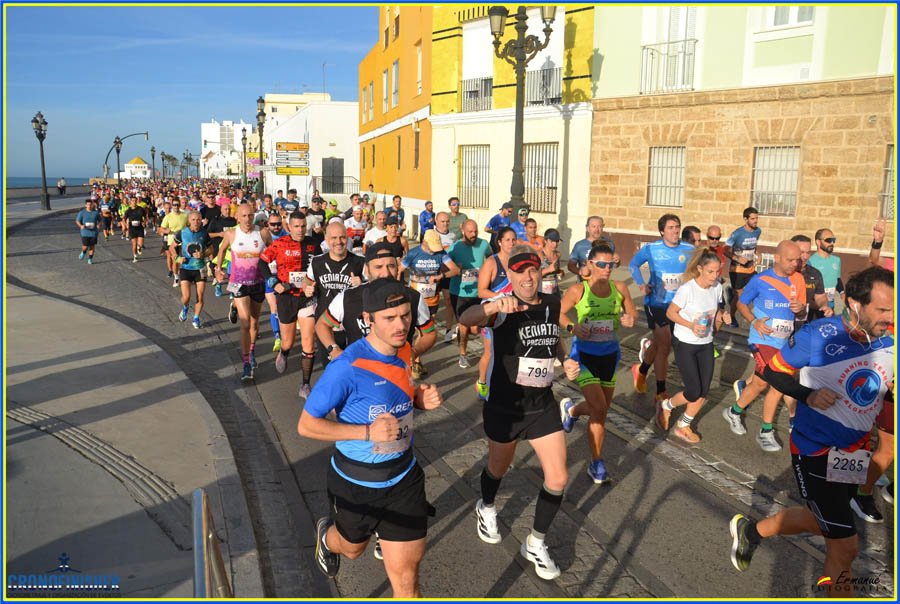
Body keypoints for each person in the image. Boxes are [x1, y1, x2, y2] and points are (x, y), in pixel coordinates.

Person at [729, 266, 894, 597]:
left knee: (823, 522)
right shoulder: (817, 336)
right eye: (882, 310)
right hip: (814, 449)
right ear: (855, 305)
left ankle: (752, 531)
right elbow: (771, 372)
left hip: (855, 450)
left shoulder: (890, 338)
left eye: (894, 309)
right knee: (845, 547)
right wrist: (808, 395)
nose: (890, 317)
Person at [298, 279, 444, 598]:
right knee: (352, 549)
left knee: (407, 580)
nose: (401, 325)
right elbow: (307, 425)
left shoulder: (405, 351)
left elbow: (399, 397)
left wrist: (420, 400)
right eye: (389, 318)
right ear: (369, 318)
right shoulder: (347, 367)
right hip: (356, 483)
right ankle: (327, 538)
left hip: (403, 479)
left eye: (405, 316)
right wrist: (367, 433)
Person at [459, 245, 581, 581]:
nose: (528, 277)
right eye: (520, 271)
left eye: (533, 270)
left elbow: (553, 339)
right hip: (506, 408)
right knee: (498, 469)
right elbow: (465, 319)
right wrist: (492, 305)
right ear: (509, 275)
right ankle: (486, 506)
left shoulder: (552, 304)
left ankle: (536, 542)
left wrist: (565, 358)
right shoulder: (502, 307)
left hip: (541, 406)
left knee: (558, 478)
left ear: (540, 272)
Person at [559, 243, 636, 481]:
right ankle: (597, 463)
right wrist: (573, 326)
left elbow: (632, 314)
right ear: (590, 264)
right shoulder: (578, 291)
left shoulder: (620, 288)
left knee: (599, 411)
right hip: (584, 356)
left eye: (611, 264)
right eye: (601, 264)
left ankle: (571, 409)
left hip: (610, 356)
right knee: (599, 408)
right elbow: (557, 314)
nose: (607, 269)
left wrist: (628, 319)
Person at [722, 241, 808, 452]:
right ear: (777, 258)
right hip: (762, 340)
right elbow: (742, 303)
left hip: (785, 341)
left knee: (759, 384)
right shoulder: (760, 280)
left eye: (797, 260)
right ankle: (766, 431)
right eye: (790, 260)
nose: (795, 264)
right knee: (778, 381)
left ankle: (734, 411)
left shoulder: (798, 279)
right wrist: (754, 321)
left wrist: (800, 310)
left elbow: (803, 315)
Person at [656, 247, 729, 443]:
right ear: (700, 269)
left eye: (717, 272)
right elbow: (671, 313)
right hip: (685, 343)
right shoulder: (687, 289)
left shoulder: (717, 288)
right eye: (710, 272)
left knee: (703, 391)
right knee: (693, 391)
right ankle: (667, 405)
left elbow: (718, 312)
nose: (714, 276)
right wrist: (691, 325)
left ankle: (684, 425)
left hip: (706, 343)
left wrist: (723, 316)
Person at [318, 242, 435, 354]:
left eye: (391, 266)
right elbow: (322, 324)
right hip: (358, 371)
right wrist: (334, 350)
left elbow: (429, 333)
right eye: (378, 267)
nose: (385, 273)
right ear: (367, 270)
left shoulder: (414, 297)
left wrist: (413, 353)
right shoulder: (347, 297)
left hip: (396, 371)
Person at [628, 213, 695, 403]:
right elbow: (633, 264)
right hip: (656, 303)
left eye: (677, 227)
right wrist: (641, 284)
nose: (675, 231)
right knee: (665, 346)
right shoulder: (651, 248)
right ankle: (660, 391)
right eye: (671, 228)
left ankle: (640, 370)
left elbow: (698, 269)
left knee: (659, 345)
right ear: (662, 231)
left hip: (679, 305)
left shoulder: (689, 249)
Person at [259, 212, 322, 395]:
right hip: (286, 297)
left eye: (303, 226)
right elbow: (262, 263)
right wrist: (274, 283)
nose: (300, 230)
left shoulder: (314, 245)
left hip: (307, 297)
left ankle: (305, 384)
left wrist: (315, 285)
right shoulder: (280, 244)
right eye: (296, 226)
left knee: (308, 343)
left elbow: (320, 267)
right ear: (289, 226)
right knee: (287, 341)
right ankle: (285, 352)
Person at [215, 203, 273, 382]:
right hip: (238, 283)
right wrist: (218, 268)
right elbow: (222, 249)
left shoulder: (262, 233)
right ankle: (246, 362)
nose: (248, 219)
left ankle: (252, 350)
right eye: (244, 216)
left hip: (258, 282)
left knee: (255, 323)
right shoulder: (231, 233)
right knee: (246, 322)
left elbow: (273, 250)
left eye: (250, 215)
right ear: (237, 217)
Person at [402, 229, 459, 378]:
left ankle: (416, 360)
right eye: (432, 248)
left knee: (425, 332)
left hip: (432, 300)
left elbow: (455, 270)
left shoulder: (440, 254)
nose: (434, 251)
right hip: (414, 300)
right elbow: (399, 269)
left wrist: (441, 275)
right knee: (412, 331)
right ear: (424, 243)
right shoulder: (413, 253)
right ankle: (413, 361)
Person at [475, 227, 518, 398]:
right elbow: (481, 291)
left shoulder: (517, 261)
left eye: (514, 239)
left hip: (513, 313)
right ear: (499, 242)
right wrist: (501, 297)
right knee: (490, 351)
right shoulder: (492, 263)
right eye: (507, 239)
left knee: (512, 350)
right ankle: (482, 382)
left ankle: (506, 383)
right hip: (493, 314)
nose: (511, 243)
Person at [447, 219, 492, 368]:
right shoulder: (455, 248)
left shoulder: (484, 244)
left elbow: (492, 259)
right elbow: (444, 267)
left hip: (479, 292)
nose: (473, 234)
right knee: (465, 325)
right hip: (459, 292)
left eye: (476, 231)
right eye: (470, 232)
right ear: (463, 231)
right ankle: (463, 354)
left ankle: (464, 333)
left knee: (475, 329)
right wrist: (454, 269)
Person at [172, 211, 212, 329]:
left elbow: (211, 249)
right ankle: (185, 307)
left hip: (200, 268)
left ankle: (196, 317)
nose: (196, 222)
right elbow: (172, 248)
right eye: (193, 220)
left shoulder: (204, 233)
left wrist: (203, 253)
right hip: (186, 268)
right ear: (189, 220)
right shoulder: (182, 233)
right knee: (186, 297)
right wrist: (178, 258)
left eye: (198, 220)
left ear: (201, 221)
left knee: (200, 296)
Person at [724, 207, 762, 326]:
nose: (755, 221)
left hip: (750, 268)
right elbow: (725, 250)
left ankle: (751, 316)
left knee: (759, 287)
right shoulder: (737, 234)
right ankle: (739, 317)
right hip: (737, 270)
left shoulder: (758, 231)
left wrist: (757, 254)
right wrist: (737, 258)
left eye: (756, 218)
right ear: (745, 219)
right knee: (741, 297)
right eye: (752, 219)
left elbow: (753, 245)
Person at [808, 228, 844, 314]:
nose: (832, 243)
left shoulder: (836, 260)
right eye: (828, 240)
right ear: (818, 242)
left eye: (833, 240)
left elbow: (837, 279)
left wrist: (842, 293)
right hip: (815, 308)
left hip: (831, 308)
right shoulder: (810, 261)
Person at [159, 200, 189, 286]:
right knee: (175, 260)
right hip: (172, 242)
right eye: (174, 205)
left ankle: (184, 275)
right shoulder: (168, 217)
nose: (176, 206)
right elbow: (161, 228)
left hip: (183, 241)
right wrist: (166, 230)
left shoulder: (184, 216)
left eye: (177, 205)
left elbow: (189, 226)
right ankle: (176, 277)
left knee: (183, 260)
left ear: (179, 205)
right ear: (172, 206)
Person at [539, 229, 564, 299]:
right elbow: (532, 276)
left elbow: (557, 274)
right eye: (552, 241)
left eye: (557, 241)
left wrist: (561, 273)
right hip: (541, 293)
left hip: (555, 292)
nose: (555, 244)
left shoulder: (558, 254)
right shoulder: (539, 255)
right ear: (545, 241)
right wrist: (548, 270)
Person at [75, 199, 100, 265]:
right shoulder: (82, 212)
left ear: (92, 205)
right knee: (85, 246)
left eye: (90, 204)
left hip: (94, 232)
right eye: (88, 205)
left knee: (92, 246)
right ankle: (83, 252)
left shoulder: (96, 213)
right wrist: (80, 226)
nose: (89, 206)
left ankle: (90, 259)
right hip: (85, 232)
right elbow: (77, 221)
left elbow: (100, 221)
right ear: (85, 205)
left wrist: (99, 225)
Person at [123, 197, 146, 263]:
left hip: (140, 227)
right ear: (130, 202)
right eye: (133, 201)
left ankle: (140, 247)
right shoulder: (128, 210)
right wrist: (126, 225)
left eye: (135, 201)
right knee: (134, 244)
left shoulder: (140, 209)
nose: (134, 202)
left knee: (141, 243)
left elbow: (145, 216)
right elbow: (124, 219)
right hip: (132, 228)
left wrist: (144, 222)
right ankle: (135, 256)